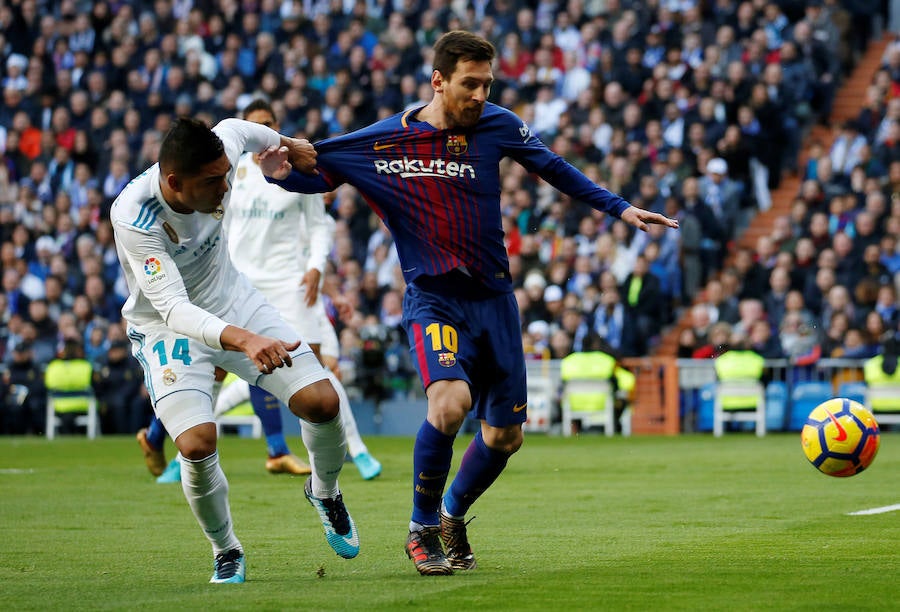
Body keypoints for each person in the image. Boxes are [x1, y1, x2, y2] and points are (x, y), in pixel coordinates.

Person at [261, 31, 677, 575]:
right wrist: (281, 177)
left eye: (487, 83)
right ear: (438, 81)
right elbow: (322, 172)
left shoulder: (498, 125)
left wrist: (621, 209)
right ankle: (421, 528)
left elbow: (553, 167)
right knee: (449, 405)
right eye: (469, 84)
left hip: (494, 300)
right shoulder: (386, 140)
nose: (481, 94)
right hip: (434, 298)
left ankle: (453, 513)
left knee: (505, 437)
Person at [110, 117, 358, 585]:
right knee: (197, 443)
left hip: (234, 300)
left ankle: (324, 491)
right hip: (168, 328)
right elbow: (172, 308)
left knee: (322, 402)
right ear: (174, 183)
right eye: (212, 181)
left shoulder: (219, 147)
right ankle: (226, 549)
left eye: (226, 174)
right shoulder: (133, 215)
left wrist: (289, 145)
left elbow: (239, 129)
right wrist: (245, 339)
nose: (226, 187)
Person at [223, 99, 381, 480]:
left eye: (266, 125)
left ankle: (353, 451)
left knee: (315, 365)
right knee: (215, 369)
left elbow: (318, 227)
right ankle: (184, 455)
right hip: (241, 280)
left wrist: (315, 268)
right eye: (253, 126)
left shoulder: (290, 171)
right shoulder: (232, 173)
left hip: (289, 282)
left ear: (275, 128)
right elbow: (222, 227)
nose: (259, 132)